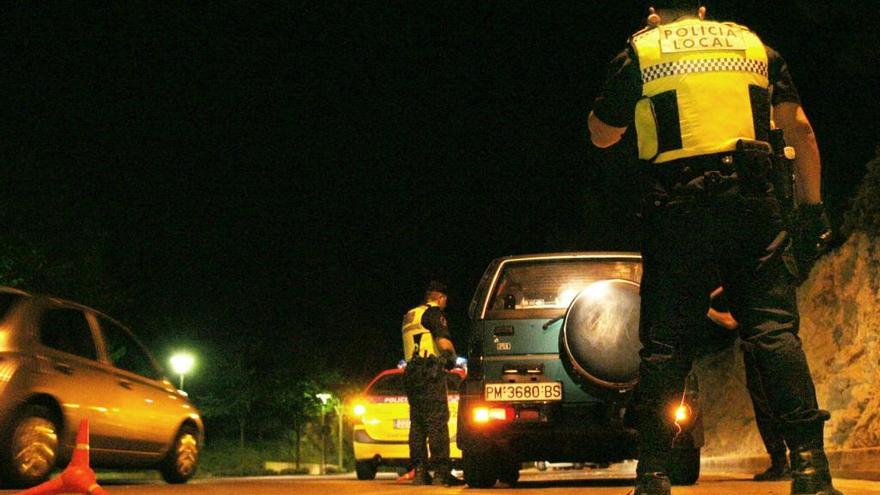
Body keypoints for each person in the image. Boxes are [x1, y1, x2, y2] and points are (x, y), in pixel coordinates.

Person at [587, 2, 836, 494]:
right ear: (703, 8)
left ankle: (654, 474)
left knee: (666, 347)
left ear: (656, 10)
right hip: (754, 204)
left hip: (676, 208)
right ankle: (810, 468)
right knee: (773, 332)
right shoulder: (753, 45)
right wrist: (813, 209)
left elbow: (601, 135)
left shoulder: (641, 51)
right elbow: (800, 127)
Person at [706, 287, 792, 482]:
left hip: (757, 349)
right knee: (779, 403)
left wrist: (704, 307)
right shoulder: (767, 283)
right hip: (776, 345)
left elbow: (730, 322)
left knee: (765, 407)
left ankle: (780, 463)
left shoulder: (748, 291)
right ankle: (793, 460)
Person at [400, 280, 464, 486]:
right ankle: (441, 473)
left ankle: (420, 472)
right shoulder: (434, 313)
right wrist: (452, 358)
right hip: (430, 372)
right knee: (437, 422)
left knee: (417, 423)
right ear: (440, 298)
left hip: (411, 373)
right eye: (445, 300)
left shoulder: (410, 315)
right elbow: (443, 342)